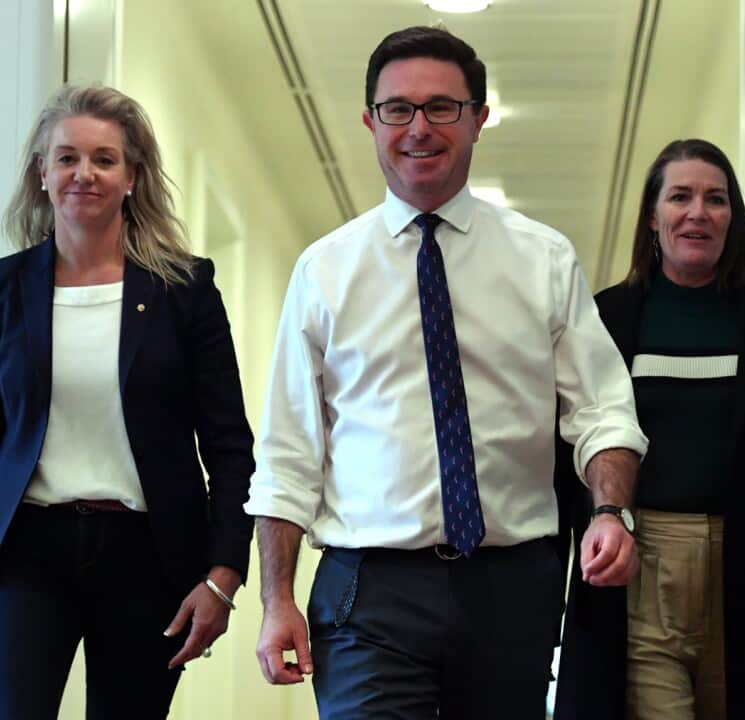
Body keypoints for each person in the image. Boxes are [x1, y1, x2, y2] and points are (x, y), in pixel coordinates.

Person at [244, 25, 648, 719]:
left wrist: (611, 510)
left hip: (512, 584)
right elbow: (288, 454)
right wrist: (276, 600)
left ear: (478, 119)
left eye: (442, 108)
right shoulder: (325, 271)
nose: (418, 127)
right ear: (370, 121)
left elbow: (603, 410)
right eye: (397, 109)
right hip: (368, 588)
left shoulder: (543, 259)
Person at [0, 85, 255, 719]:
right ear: (41, 174)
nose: (84, 174)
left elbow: (231, 449)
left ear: (132, 176)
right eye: (66, 157)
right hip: (27, 553)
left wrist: (223, 577)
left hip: (149, 558)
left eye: (104, 159)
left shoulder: (184, 290)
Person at [554, 138, 745, 720]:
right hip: (640, 566)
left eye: (715, 199)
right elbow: (564, 460)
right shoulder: (605, 319)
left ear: (733, 219)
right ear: (653, 215)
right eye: (680, 197)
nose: (698, 212)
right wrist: (542, 601)